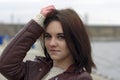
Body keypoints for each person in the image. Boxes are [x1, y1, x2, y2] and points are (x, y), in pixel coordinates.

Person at [0, 5, 96, 80]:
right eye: (48, 36)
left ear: (76, 39)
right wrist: (37, 22)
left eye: (61, 37)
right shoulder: (35, 68)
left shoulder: (80, 78)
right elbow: (5, 65)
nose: (52, 43)